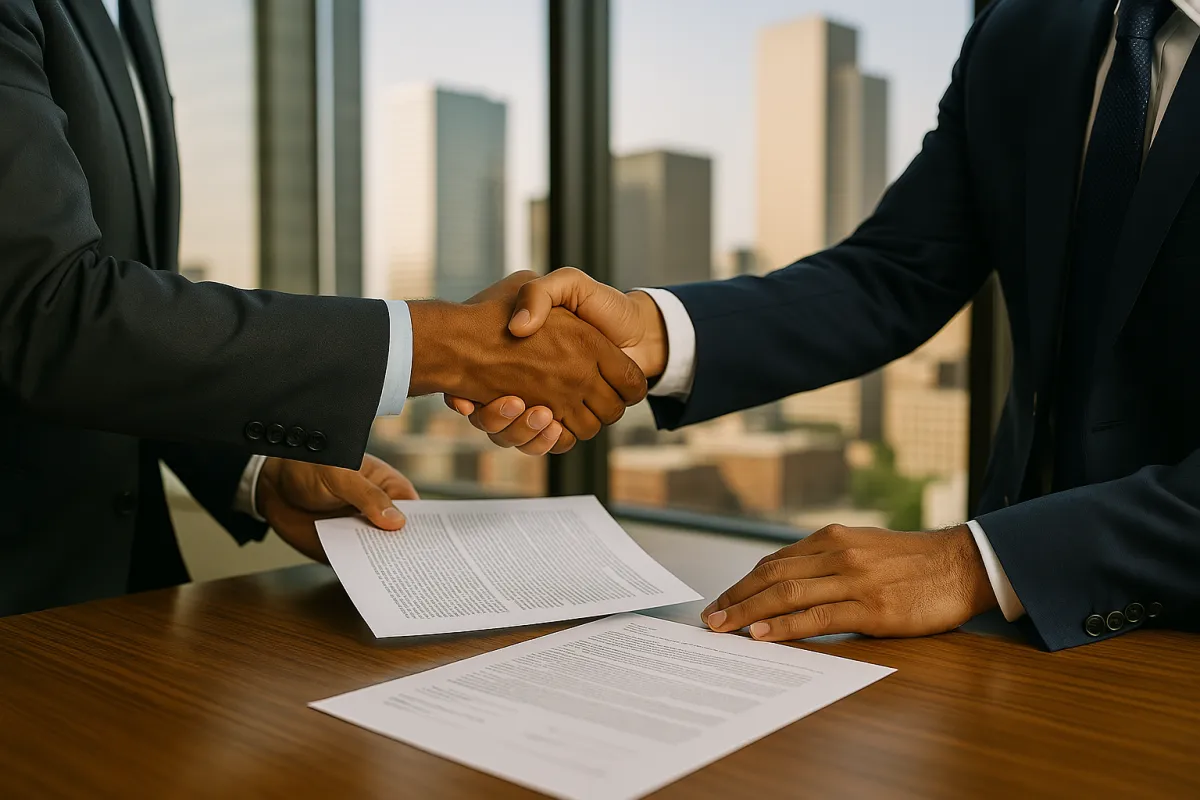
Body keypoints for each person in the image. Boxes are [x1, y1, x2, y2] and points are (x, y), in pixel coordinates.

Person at [452, 0, 1200, 651]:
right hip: (1005, 638)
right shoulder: (1027, 27)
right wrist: (651, 335)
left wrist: (979, 561)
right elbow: (895, 273)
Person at [0, 0, 646, 616]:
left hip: (118, 607)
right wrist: (447, 344)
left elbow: (122, 345)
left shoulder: (130, 11)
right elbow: (42, 310)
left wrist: (259, 470)